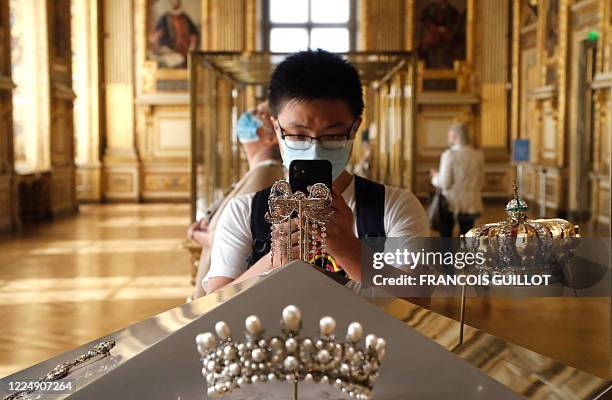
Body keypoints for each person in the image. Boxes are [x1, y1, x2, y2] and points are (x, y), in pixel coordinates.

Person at [204, 49, 429, 294]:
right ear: (276, 128)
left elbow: (418, 304)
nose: (314, 148)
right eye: (298, 135)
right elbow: (213, 306)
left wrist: (350, 251)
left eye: (332, 135)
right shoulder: (245, 213)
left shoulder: (394, 208)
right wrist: (273, 261)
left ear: (355, 128)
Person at [189, 101, 284, 299]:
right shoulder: (258, 172)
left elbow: (245, 235)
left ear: (271, 136)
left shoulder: (264, 176)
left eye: (260, 113)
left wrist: (202, 236)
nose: (250, 112)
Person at [430, 123, 484, 237]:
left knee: (446, 237)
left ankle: (447, 255)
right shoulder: (478, 155)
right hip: (471, 202)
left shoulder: (449, 155)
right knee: (466, 237)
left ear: (456, 136)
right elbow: (482, 181)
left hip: (450, 203)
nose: (448, 138)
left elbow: (445, 183)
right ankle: (465, 255)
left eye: (449, 135)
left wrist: (435, 177)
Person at [149, 0, 199, 68]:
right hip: (169, 53)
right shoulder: (165, 18)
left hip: (185, 55)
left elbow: (194, 35)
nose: (174, 1)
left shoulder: (185, 18)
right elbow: (156, 35)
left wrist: (191, 47)